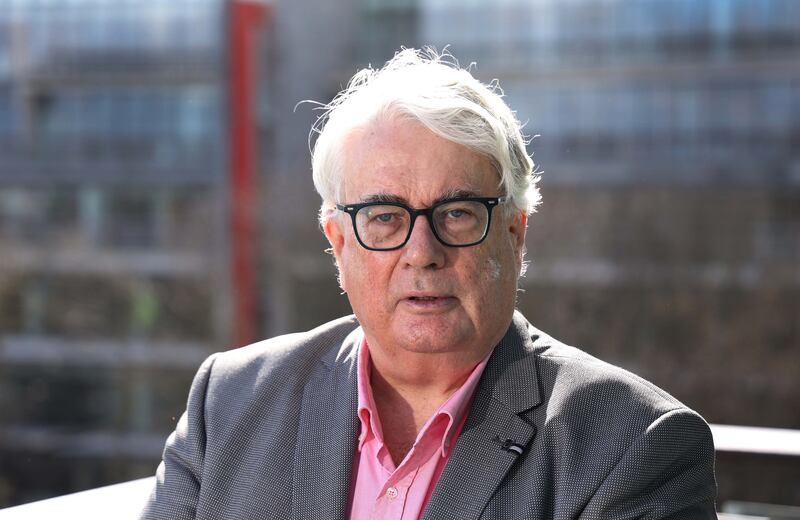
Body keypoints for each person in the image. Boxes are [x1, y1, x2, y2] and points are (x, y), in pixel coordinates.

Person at [141, 48, 717, 519]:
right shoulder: (230, 401)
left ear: (516, 234)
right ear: (338, 244)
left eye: (458, 212)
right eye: (385, 216)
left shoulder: (635, 445)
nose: (423, 252)